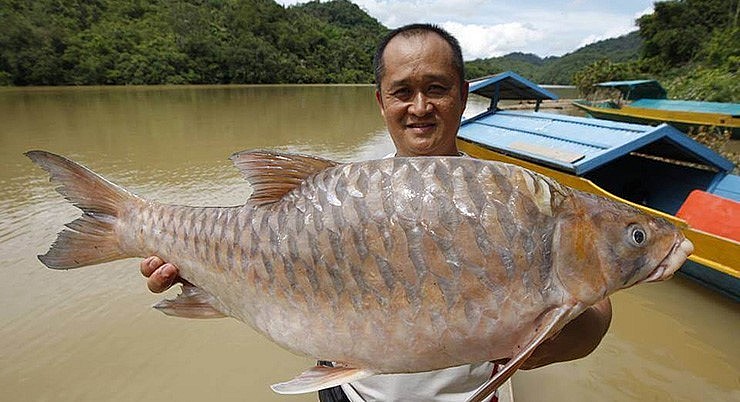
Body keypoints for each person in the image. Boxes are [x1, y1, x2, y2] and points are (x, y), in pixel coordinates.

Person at [140, 23, 613, 402]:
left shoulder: (514, 199)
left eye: (437, 88)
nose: (420, 107)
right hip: (347, 392)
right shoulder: (336, 198)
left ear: (463, 94)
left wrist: (547, 332)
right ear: (381, 100)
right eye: (403, 91)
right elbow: (272, 276)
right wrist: (208, 273)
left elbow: (594, 321)